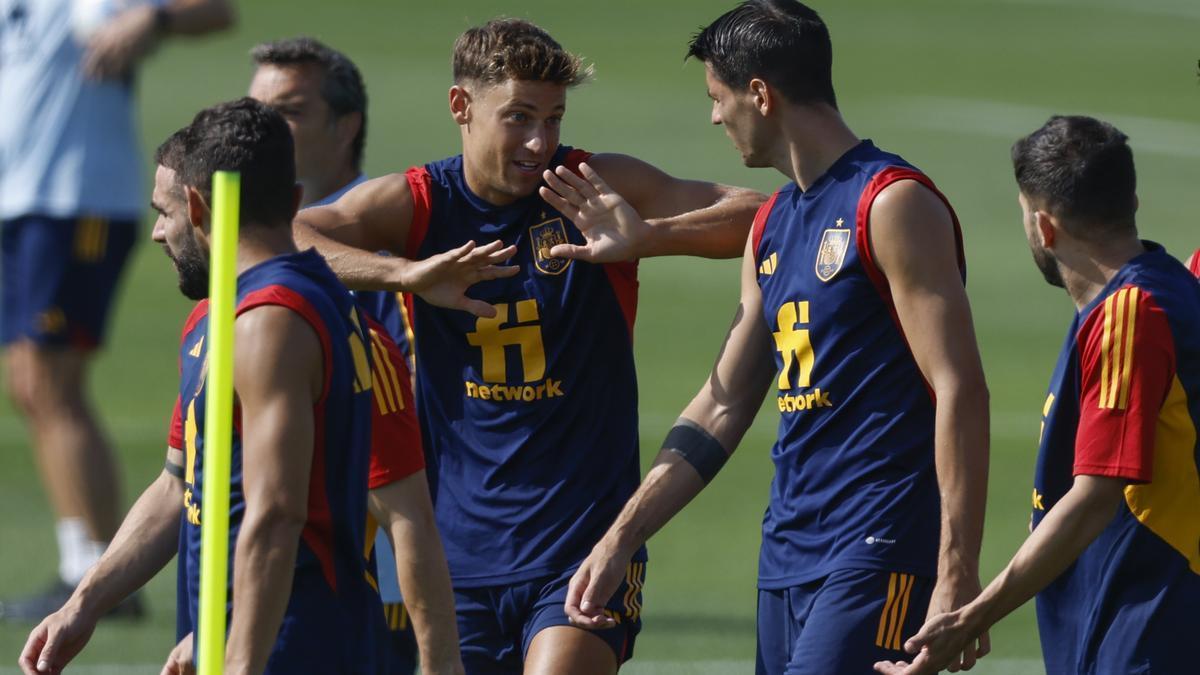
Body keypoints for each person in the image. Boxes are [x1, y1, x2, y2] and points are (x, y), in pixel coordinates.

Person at [294, 18, 765, 674]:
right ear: (461, 107)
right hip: (456, 557)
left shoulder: (590, 187)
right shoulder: (422, 204)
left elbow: (765, 214)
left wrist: (647, 236)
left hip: (583, 545)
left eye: (554, 118)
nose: (540, 141)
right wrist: (409, 274)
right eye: (518, 117)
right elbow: (294, 232)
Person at [550, 3, 991, 674]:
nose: (714, 118)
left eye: (717, 98)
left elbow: (959, 386)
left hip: (878, 542)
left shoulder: (892, 203)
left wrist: (957, 573)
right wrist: (621, 536)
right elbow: (721, 405)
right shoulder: (772, 225)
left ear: (760, 94)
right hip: (786, 555)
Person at [20, 98, 398, 674]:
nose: (155, 233)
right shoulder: (230, 314)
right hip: (248, 634)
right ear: (293, 201)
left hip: (290, 646)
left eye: (164, 213)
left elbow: (275, 517)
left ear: (198, 208)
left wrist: (238, 652)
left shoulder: (272, 322)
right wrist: (84, 604)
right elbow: (179, 485)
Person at [874, 116, 1200, 675]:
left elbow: (1094, 496)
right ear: (1133, 199)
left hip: (1148, 630)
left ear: (1044, 228)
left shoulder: (1132, 312)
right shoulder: (1156, 291)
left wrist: (975, 615)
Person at [0, 0, 234, 621]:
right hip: (18, 200)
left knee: (51, 380)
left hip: (74, 194)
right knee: (28, 383)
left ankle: (102, 569)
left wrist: (150, 20)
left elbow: (215, 10)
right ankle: (81, 556)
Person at [247, 35, 437, 674]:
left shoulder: (381, 261)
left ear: (346, 124)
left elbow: (413, 419)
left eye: (290, 110)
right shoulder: (257, 255)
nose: (266, 128)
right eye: (258, 109)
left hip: (371, 554)